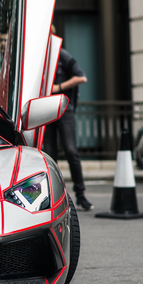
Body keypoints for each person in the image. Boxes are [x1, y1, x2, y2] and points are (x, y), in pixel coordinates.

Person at [42, 27, 93, 211]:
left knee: (71, 151)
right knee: (49, 155)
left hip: (64, 109)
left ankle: (81, 194)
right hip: (46, 110)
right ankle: (54, 198)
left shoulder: (62, 54)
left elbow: (82, 77)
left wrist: (59, 87)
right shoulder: (37, 57)